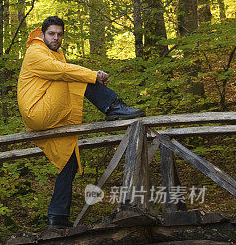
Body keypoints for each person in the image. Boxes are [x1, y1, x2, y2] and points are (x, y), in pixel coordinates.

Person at [17, 16, 145, 228]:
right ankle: (113, 106)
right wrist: (93, 75)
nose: (56, 38)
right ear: (42, 34)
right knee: (74, 76)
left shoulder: (56, 53)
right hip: (37, 111)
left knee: (69, 160)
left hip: (48, 112)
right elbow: (62, 72)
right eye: (51, 34)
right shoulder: (35, 52)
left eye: (59, 34)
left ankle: (57, 217)